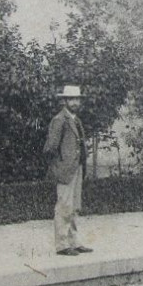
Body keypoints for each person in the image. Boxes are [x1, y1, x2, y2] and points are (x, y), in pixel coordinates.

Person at [43, 85, 90, 255]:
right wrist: (58, 165)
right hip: (65, 170)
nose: (75, 102)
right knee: (64, 206)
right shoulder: (59, 120)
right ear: (64, 101)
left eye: (77, 99)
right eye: (71, 99)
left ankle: (74, 241)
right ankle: (62, 245)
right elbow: (50, 148)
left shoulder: (76, 120)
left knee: (74, 207)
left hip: (76, 168)